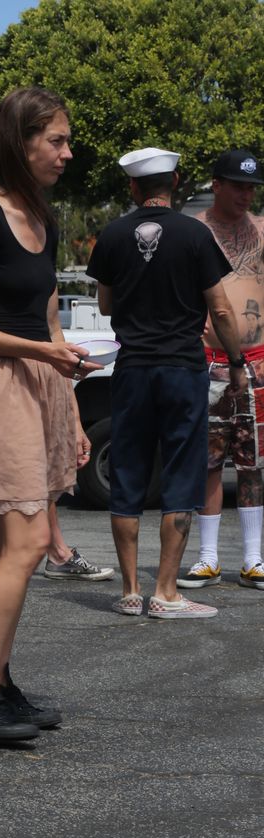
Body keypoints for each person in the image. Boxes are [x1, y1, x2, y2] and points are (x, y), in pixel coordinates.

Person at [0, 87, 104, 744]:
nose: (67, 153)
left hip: (41, 386)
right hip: (0, 383)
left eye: (67, 141)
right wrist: (41, 352)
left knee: (26, 546)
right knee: (30, 543)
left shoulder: (42, 218)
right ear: (21, 140)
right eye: (56, 141)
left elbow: (48, 317)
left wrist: (71, 410)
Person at [86, 147, 247, 619]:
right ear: (174, 183)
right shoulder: (195, 234)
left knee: (128, 474)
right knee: (180, 475)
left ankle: (130, 592)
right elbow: (220, 308)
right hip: (182, 369)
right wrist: (237, 361)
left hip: (132, 369)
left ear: (133, 186)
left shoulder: (112, 235)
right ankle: (166, 592)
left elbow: (106, 305)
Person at [0, 260, 114, 585]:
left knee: (38, 477)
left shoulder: (42, 250)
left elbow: (53, 331)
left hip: (43, 376)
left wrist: (74, 420)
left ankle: (52, 554)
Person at [177, 150, 264, 591]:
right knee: (209, 462)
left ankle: (253, 558)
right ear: (217, 185)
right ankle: (208, 558)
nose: (246, 195)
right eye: (238, 186)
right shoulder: (195, 231)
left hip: (258, 361)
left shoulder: (262, 229)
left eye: (251, 188)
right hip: (208, 361)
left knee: (254, 462)